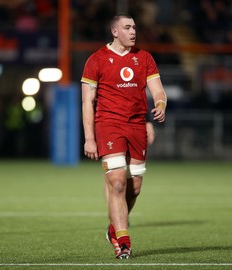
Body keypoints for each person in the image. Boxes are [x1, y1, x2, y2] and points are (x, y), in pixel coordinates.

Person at [81, 13, 167, 259]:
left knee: (134, 187)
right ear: (114, 31)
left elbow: (159, 91)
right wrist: (89, 137)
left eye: (134, 28)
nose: (133, 32)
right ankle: (124, 241)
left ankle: (113, 229)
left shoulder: (144, 58)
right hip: (109, 125)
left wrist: (160, 106)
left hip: (137, 126)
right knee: (117, 182)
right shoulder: (96, 60)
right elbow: (88, 101)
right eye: (127, 27)